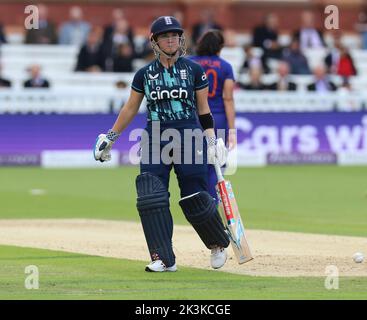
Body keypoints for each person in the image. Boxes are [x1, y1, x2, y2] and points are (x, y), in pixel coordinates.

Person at [93, 16, 230, 272]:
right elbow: (130, 108)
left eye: (175, 35)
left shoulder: (194, 70)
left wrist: (211, 139)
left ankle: (217, 244)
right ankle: (163, 258)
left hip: (188, 135)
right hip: (155, 137)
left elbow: (204, 109)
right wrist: (110, 138)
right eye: (165, 36)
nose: (171, 40)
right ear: (154, 41)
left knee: (195, 196)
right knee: (150, 195)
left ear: (181, 39)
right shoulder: (144, 74)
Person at [189, 29, 236, 204]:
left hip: (194, 118)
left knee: (194, 163)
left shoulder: (189, 62)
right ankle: (212, 205)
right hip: (218, 118)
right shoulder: (225, 67)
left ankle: (198, 204)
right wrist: (232, 129)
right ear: (220, 47)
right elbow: (228, 98)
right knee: (216, 164)